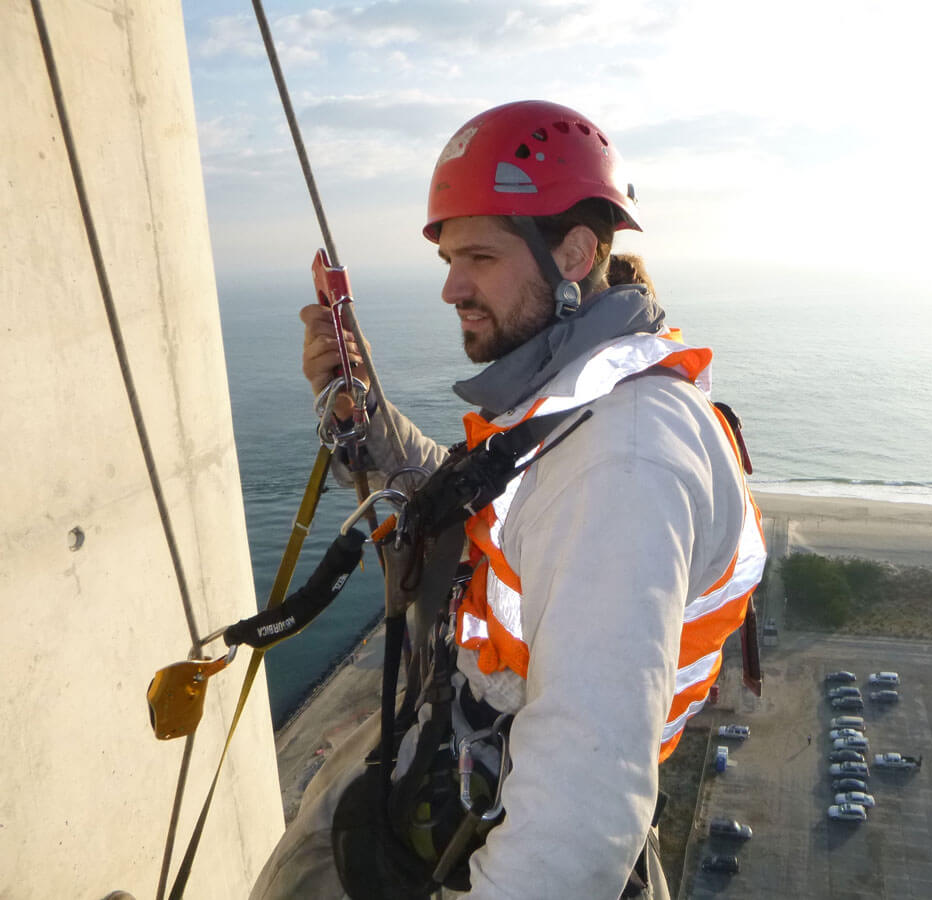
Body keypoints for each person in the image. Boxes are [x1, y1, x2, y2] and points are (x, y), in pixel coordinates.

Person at [254, 100, 764, 900]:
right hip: (468, 756)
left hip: (506, 819)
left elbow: (580, 808)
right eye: (449, 260)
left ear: (575, 254)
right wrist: (365, 418)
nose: (451, 288)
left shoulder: (624, 459)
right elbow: (483, 506)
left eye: (480, 257)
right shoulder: (575, 397)